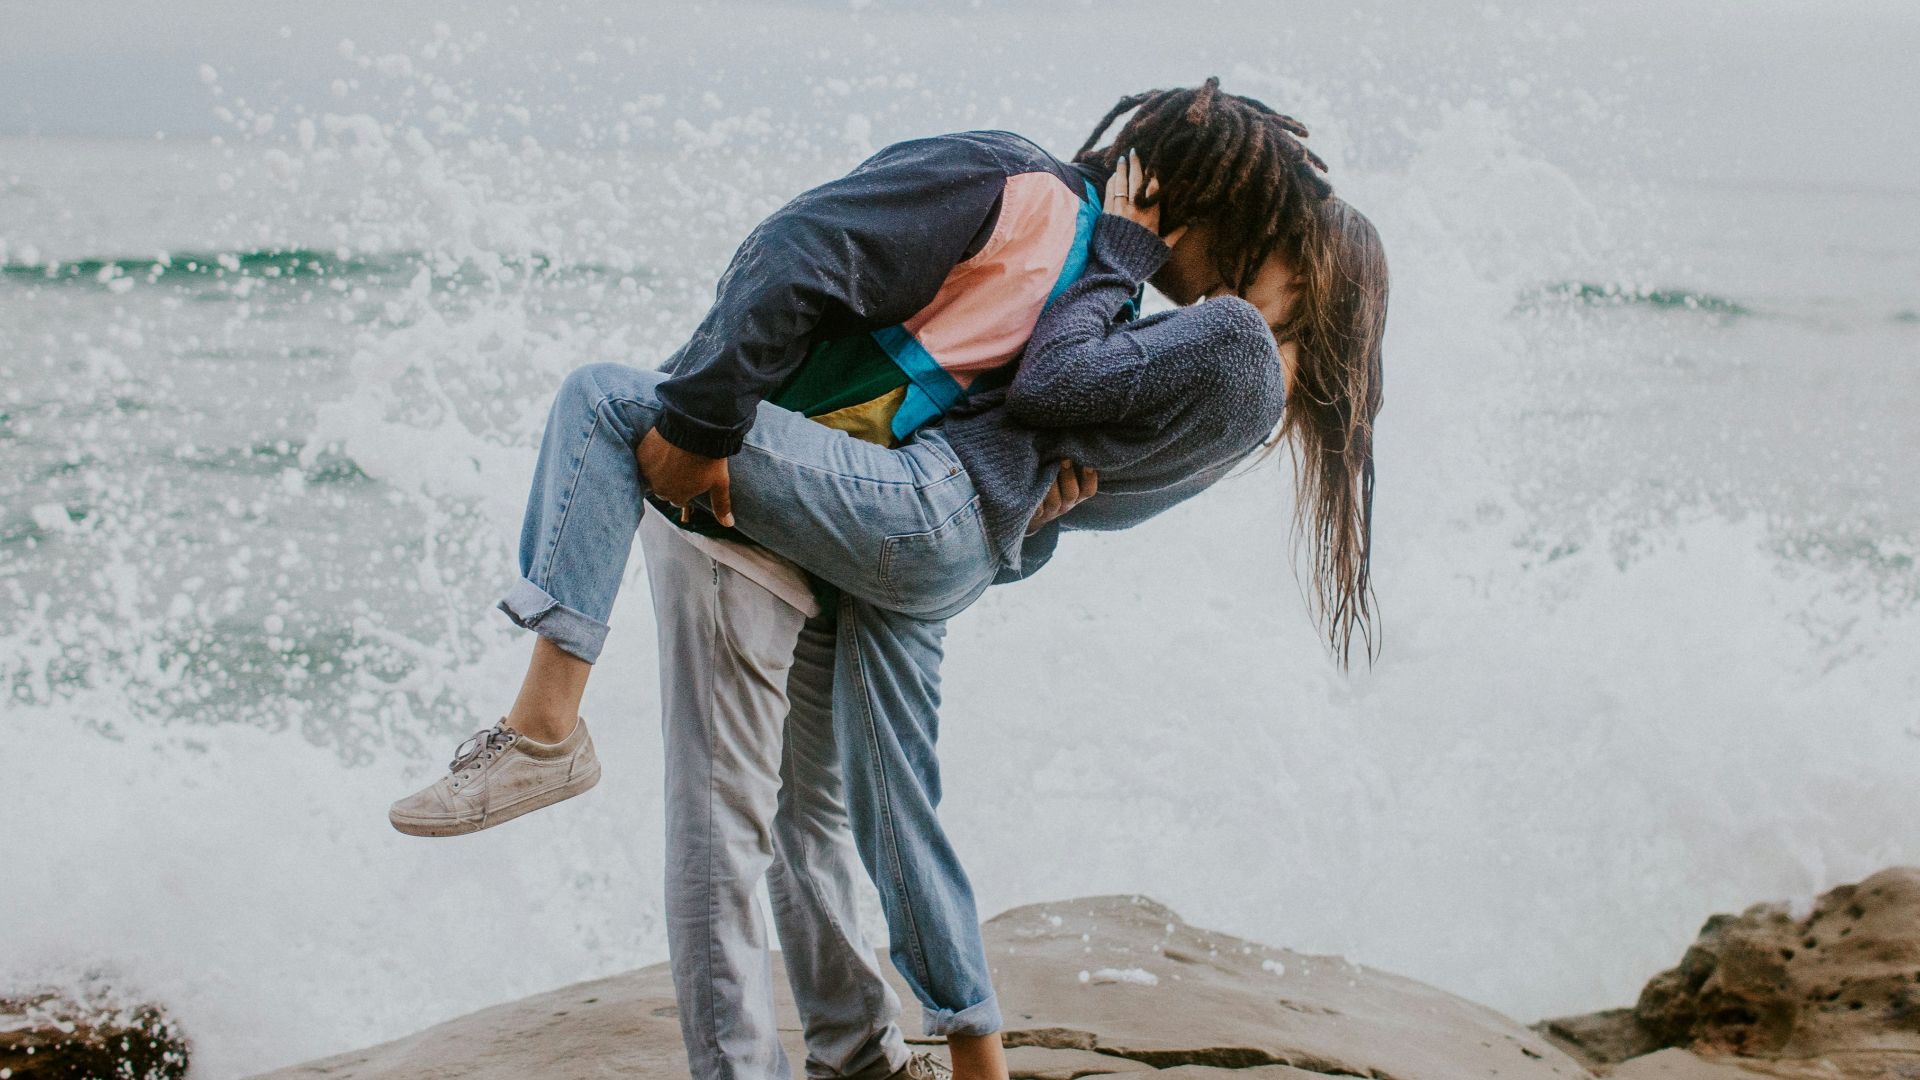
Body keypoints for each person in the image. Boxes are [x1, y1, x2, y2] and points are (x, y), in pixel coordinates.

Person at [392, 79, 1386, 1080]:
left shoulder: (1191, 321)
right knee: (841, 815)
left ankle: (546, 727)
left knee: (609, 409)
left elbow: (1038, 393)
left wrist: (702, 425)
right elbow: (1064, 486)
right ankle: (892, 1052)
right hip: (916, 542)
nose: (1240, 255)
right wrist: (1029, 509)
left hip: (889, 510)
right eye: (1252, 218)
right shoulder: (1154, 324)